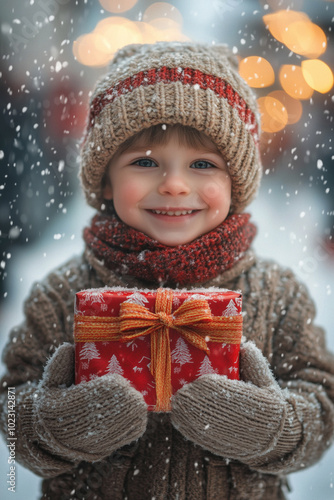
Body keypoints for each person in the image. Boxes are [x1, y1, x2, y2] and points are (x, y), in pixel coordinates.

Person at [1, 41, 334, 500]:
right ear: (106, 178)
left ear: (235, 183)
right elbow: (12, 410)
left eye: (202, 164)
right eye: (144, 162)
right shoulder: (62, 295)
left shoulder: (278, 295)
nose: (175, 184)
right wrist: (56, 423)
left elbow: (321, 407)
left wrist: (270, 427)